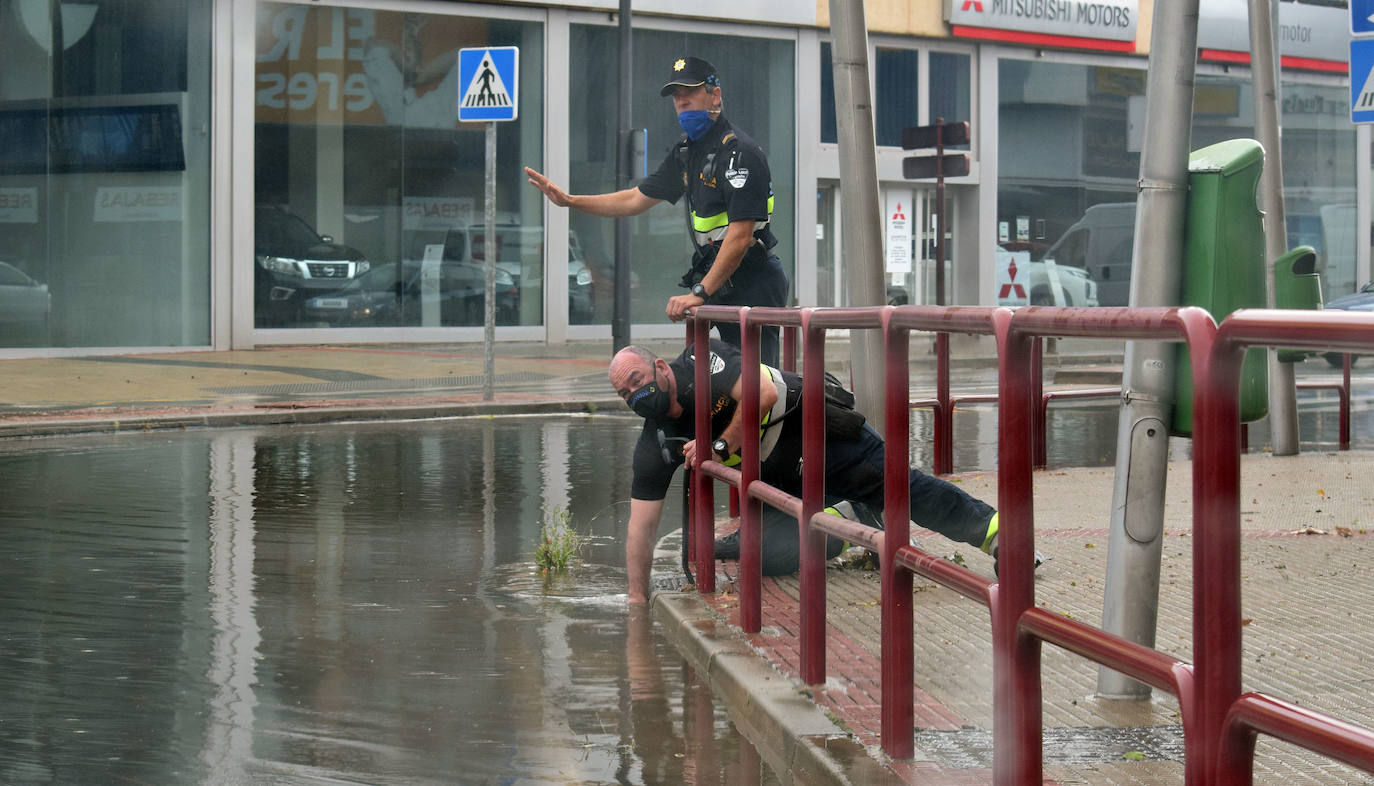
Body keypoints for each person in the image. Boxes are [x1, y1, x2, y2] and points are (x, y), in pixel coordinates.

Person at [607, 340, 1006, 605]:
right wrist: (636, 600)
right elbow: (640, 528)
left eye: (638, 381)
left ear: (659, 366)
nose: (635, 397)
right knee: (762, 555)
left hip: (817, 431)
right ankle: (848, 521)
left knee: (901, 490)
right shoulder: (655, 444)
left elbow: (763, 394)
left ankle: (996, 534)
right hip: (781, 479)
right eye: (625, 395)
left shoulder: (701, 360)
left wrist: (717, 445)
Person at [525, 56, 790, 366]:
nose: (681, 101)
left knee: (758, 386)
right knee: (711, 384)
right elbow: (635, 199)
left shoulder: (739, 152)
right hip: (720, 281)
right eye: (676, 95)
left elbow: (741, 235)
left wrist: (700, 292)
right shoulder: (687, 150)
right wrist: (571, 201)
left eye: (689, 92)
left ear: (715, 94)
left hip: (752, 280)